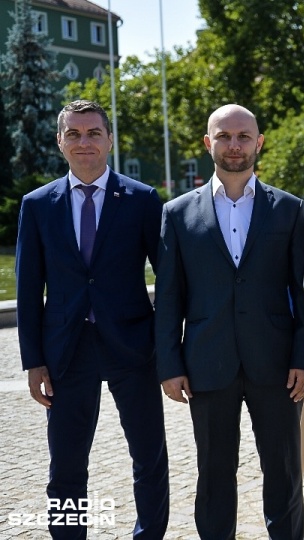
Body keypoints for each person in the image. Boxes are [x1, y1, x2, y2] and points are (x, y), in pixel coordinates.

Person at [155, 104, 304, 539]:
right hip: (207, 364)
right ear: (208, 143)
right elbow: (170, 296)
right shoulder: (176, 214)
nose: (234, 145)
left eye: (243, 136)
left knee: (284, 474)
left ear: (259, 142)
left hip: (277, 365)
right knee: (213, 475)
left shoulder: (288, 210)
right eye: (224, 136)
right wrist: (169, 365)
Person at [16, 99, 169, 539]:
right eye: (74, 134)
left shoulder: (141, 200)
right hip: (66, 351)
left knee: (150, 459)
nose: (85, 143)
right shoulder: (38, 205)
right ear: (60, 142)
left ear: (110, 140)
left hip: (133, 349)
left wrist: (170, 351)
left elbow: (170, 282)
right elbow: (28, 290)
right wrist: (33, 361)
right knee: (65, 466)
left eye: (93, 133)